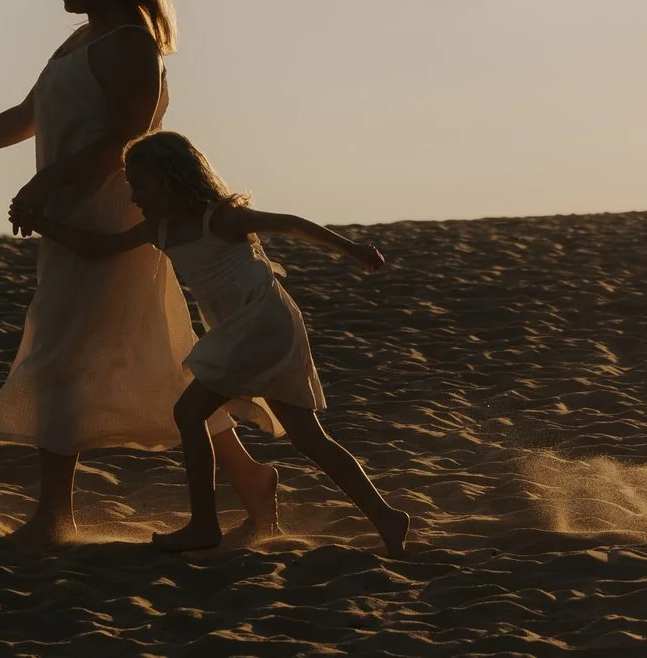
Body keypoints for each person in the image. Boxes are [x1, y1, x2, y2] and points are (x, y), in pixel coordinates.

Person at [0, 0, 280, 544]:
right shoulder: (80, 41)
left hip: (116, 217)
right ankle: (248, 475)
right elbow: (30, 115)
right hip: (67, 220)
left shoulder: (131, 44)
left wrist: (46, 182)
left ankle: (54, 513)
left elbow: (125, 141)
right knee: (159, 352)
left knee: (60, 353)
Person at [29, 131, 410, 555]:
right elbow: (102, 247)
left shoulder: (220, 219)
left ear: (172, 179)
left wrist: (352, 249)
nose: (134, 196)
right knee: (307, 437)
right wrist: (43, 223)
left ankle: (204, 525)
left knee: (189, 412)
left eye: (142, 185)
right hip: (243, 329)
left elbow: (290, 224)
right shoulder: (161, 228)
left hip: (262, 322)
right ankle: (387, 518)